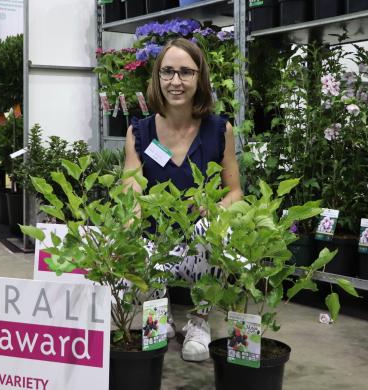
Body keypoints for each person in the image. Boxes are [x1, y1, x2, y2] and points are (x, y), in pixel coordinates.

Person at [123, 37, 243, 362]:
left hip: (198, 243)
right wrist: (129, 222)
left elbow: (235, 191)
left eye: (186, 73)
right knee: (130, 236)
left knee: (215, 229)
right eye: (168, 72)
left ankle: (199, 322)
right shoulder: (140, 132)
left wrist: (218, 207)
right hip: (157, 240)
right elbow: (130, 189)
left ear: (199, 78)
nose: (176, 82)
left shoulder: (220, 131)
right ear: (157, 78)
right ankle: (157, 314)